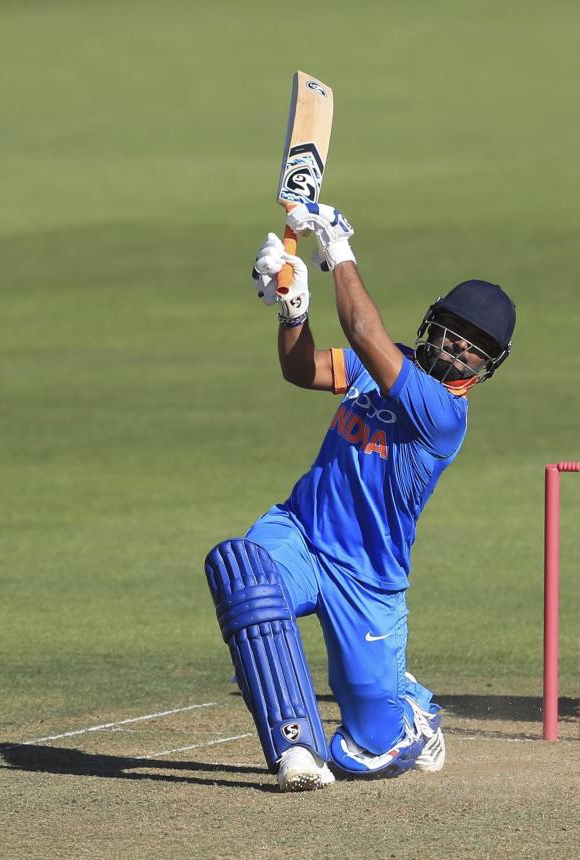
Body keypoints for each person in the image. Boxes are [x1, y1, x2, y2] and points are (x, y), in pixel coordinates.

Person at [203, 202, 516, 790]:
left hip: (369, 581)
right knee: (242, 572)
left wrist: (337, 249)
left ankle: (409, 715)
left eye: (475, 346)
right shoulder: (379, 366)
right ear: (433, 323)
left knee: (366, 744)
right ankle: (294, 748)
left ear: (488, 364)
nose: (457, 348)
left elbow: (363, 330)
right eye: (454, 330)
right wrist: (292, 312)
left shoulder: (444, 415)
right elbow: (302, 371)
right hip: (300, 531)